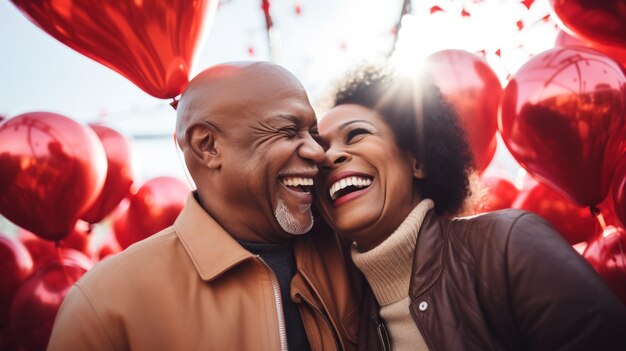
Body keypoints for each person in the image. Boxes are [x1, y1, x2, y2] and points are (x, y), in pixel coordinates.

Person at [48, 62, 359, 351]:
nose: (317, 152)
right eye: (288, 131)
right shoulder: (104, 304)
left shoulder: (353, 248)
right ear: (207, 146)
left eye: (313, 133)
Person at [313, 65, 626, 351]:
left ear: (417, 160)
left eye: (356, 134)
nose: (329, 157)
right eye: (320, 149)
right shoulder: (342, 322)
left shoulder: (507, 244)